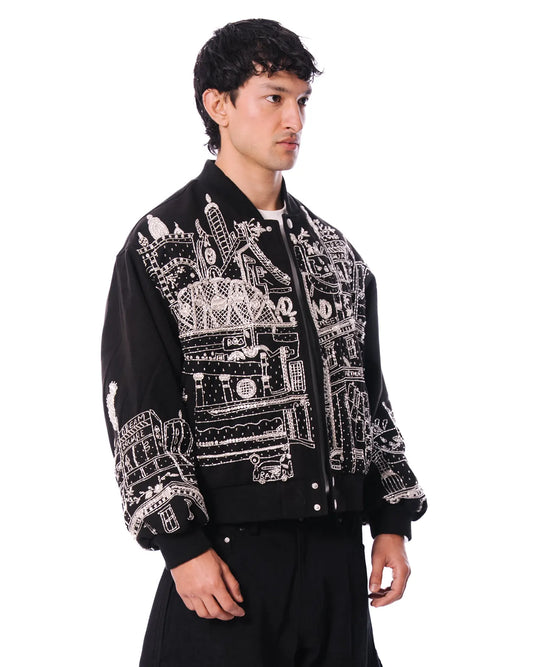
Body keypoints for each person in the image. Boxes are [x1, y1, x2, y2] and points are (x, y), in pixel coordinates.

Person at [101, 18, 427, 667]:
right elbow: (140, 408)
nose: (294, 120)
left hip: (336, 559)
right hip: (227, 559)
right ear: (217, 104)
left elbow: (367, 396)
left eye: (301, 100)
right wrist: (182, 546)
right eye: (273, 97)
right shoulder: (163, 245)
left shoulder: (334, 253)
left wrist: (390, 521)